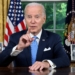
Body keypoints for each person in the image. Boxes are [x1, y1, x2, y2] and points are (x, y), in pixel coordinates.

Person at [0, 2, 70, 70]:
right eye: (29, 17)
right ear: (25, 19)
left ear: (44, 19)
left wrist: (46, 63)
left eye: (37, 17)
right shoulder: (15, 38)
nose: (32, 21)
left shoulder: (54, 38)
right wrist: (19, 47)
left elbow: (65, 60)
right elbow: (1, 62)